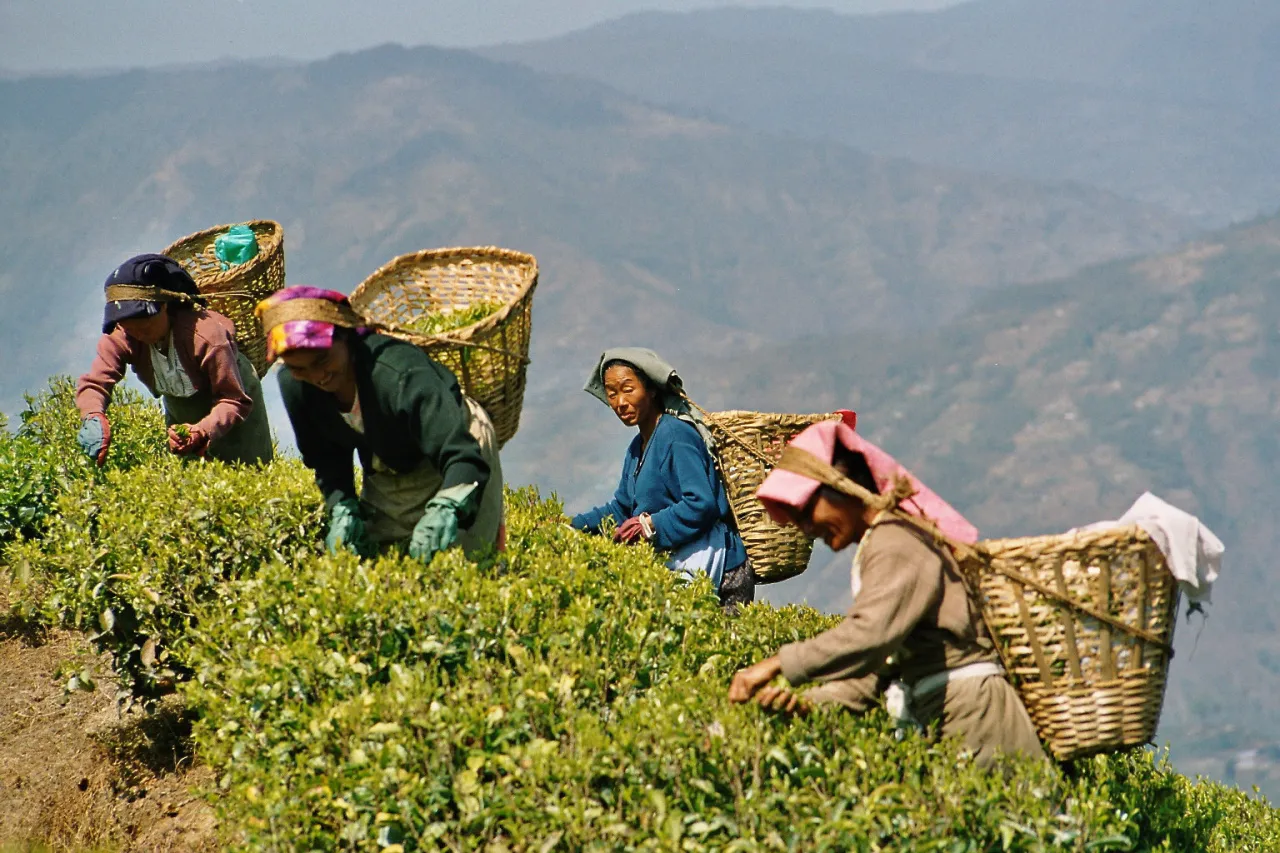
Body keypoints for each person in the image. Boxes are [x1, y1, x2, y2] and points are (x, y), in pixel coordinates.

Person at [727, 419, 1045, 767]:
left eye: (806, 512)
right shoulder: (883, 542)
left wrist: (776, 664)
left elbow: (870, 635)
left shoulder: (896, 541)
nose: (806, 528)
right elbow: (881, 667)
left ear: (842, 486)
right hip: (950, 712)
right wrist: (809, 704)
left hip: (978, 717)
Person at [257, 286, 504, 563]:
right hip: (391, 455)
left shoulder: (399, 373)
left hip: (458, 444)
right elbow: (326, 456)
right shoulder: (297, 387)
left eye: (322, 360)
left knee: (465, 558)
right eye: (299, 368)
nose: (317, 376)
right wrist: (341, 505)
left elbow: (461, 453)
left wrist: (449, 506)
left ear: (346, 338)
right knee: (384, 562)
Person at [569, 348, 753, 612]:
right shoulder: (637, 447)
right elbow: (622, 509)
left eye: (628, 389)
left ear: (652, 390)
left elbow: (701, 503)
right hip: (682, 557)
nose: (620, 402)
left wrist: (649, 524)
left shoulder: (676, 435)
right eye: (612, 394)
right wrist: (571, 526)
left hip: (722, 569)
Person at [76, 253, 273, 466]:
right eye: (129, 328)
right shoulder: (123, 337)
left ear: (165, 306)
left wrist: (203, 430)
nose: (138, 334)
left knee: (248, 470)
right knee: (190, 476)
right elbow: (95, 383)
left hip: (233, 408)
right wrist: (93, 415)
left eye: (144, 326)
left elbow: (234, 400)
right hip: (182, 410)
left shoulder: (207, 338)